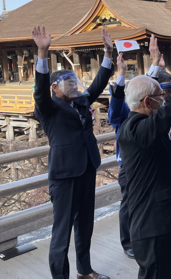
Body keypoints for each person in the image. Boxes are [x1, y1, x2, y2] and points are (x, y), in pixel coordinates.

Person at [118, 27, 171, 279]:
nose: (164, 101)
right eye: (160, 98)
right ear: (148, 102)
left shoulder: (147, 129)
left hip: (164, 218)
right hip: (151, 223)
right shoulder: (134, 129)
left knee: (168, 273)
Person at [32, 25, 113, 279]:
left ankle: (84, 270)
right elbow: (39, 91)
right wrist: (43, 54)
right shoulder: (48, 108)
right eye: (68, 83)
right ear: (55, 88)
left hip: (87, 168)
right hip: (64, 176)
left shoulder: (80, 102)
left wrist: (108, 54)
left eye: (74, 81)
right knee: (62, 233)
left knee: (85, 226)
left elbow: (98, 85)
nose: (74, 86)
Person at [108, 35, 163, 260]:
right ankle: (127, 241)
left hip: (145, 166)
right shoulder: (121, 117)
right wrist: (120, 75)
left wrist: (154, 62)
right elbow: (118, 104)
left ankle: (141, 237)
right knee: (129, 205)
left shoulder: (141, 111)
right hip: (128, 169)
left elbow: (145, 89)